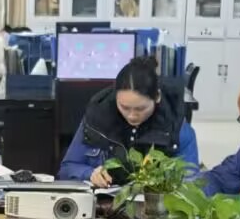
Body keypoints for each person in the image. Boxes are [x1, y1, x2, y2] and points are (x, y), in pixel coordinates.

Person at [58, 55, 200, 185]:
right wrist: (90, 174)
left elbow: (191, 184)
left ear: (157, 97)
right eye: (124, 107)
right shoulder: (97, 118)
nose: (132, 115)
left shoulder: (177, 128)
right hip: (103, 202)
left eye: (140, 109)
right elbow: (67, 168)